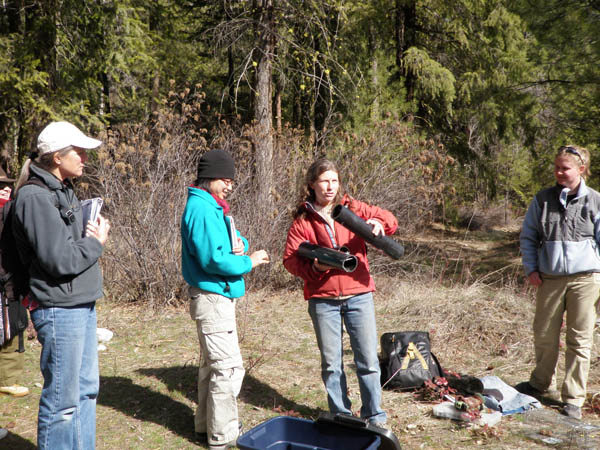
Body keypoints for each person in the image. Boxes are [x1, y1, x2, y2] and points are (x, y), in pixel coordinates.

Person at [12, 121, 110, 449]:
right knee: (62, 403)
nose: (84, 158)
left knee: (85, 391)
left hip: (79, 304)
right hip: (58, 309)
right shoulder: (35, 197)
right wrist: (96, 243)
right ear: (57, 157)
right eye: (79, 152)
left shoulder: (63, 189)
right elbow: (60, 260)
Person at [282, 158, 397, 427]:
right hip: (323, 300)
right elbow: (290, 260)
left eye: (334, 180)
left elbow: (391, 220)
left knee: (367, 359)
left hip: (359, 294)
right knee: (332, 364)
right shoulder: (303, 220)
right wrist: (317, 267)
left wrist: (379, 223)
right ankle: (342, 416)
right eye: (324, 181)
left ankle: (374, 416)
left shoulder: (352, 208)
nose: (330, 186)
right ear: (312, 184)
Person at [180, 149, 269, 450]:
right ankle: (223, 435)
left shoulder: (213, 207)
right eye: (225, 179)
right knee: (229, 369)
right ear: (209, 177)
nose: (230, 185)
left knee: (211, 367)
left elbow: (232, 241)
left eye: (231, 180)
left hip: (214, 297)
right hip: (212, 297)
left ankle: (206, 427)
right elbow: (214, 259)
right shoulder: (203, 209)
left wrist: (242, 245)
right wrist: (249, 262)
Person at [518, 144, 600, 420]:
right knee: (544, 334)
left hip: (585, 281)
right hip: (549, 279)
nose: (559, 172)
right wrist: (531, 268)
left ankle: (573, 399)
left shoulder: (595, 201)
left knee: (580, 339)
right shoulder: (542, 199)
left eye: (565, 168)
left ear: (581, 169)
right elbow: (528, 236)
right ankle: (539, 384)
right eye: (556, 167)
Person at [0, 167, 30, 398]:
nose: (6, 189)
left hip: (10, 285)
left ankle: (10, 378)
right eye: (0, 186)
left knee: (14, 329)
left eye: (7, 185)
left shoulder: (12, 210)